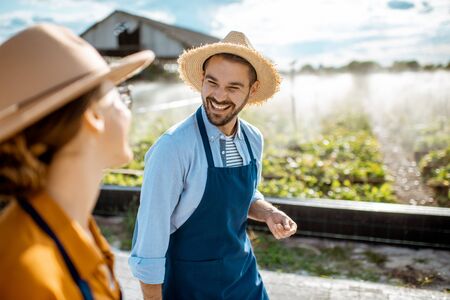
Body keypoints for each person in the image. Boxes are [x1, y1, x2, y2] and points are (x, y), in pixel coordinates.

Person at [129, 31, 298, 300]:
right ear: (201, 81)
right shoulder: (173, 148)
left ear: (252, 90)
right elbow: (150, 237)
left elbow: (246, 196)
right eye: (212, 83)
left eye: (233, 87)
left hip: (242, 277)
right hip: (189, 285)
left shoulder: (252, 139)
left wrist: (268, 213)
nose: (219, 96)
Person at [0, 24, 154, 299]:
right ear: (92, 117)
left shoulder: (76, 228)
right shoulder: (28, 276)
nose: (128, 111)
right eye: (120, 95)